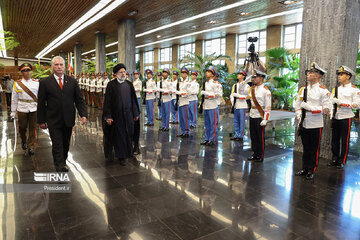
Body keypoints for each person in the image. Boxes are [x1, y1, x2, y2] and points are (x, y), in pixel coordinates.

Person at [37, 56, 87, 172]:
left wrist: (83, 114)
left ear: (64, 67)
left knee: (65, 143)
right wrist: (41, 120)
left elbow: (79, 100)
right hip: (53, 119)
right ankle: (59, 164)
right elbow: (41, 102)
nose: (59, 67)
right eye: (56, 64)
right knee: (57, 143)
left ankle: (63, 160)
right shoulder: (45, 82)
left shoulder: (72, 81)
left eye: (61, 65)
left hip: (68, 118)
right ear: (52, 66)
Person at [294, 62, 331, 180]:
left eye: (311, 72)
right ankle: (304, 168)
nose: (308, 74)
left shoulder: (323, 91)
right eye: (308, 72)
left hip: (315, 123)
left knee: (314, 149)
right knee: (305, 148)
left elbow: (326, 110)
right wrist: (299, 113)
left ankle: (311, 170)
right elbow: (297, 104)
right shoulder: (303, 89)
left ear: (318, 75)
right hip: (304, 122)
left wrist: (309, 108)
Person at [103, 63, 139, 166]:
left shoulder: (129, 84)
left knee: (129, 133)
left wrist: (135, 113)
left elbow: (133, 100)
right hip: (117, 116)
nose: (123, 74)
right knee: (119, 135)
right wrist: (108, 116)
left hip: (129, 115)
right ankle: (121, 156)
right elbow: (108, 102)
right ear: (116, 74)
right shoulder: (111, 85)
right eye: (121, 72)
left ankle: (129, 152)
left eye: (124, 72)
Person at [329, 65, 360, 169]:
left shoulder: (354, 90)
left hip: (346, 117)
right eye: (339, 74)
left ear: (348, 76)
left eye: (342, 74)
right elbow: (331, 102)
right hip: (336, 116)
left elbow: (356, 105)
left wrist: (341, 102)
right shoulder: (336, 89)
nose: (339, 76)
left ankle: (342, 160)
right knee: (334, 139)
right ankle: (334, 158)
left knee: (345, 140)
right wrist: (330, 113)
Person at [11, 63, 39, 155]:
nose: (27, 73)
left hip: (33, 108)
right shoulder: (17, 83)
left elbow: (40, 97)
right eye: (24, 71)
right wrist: (13, 111)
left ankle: (31, 146)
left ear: (30, 71)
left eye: (28, 70)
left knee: (32, 128)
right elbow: (14, 98)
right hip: (22, 108)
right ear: (21, 73)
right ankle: (23, 140)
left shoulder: (36, 83)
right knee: (22, 127)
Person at [247, 69, 271, 163]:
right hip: (252, 114)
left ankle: (260, 155)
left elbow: (268, 107)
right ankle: (254, 153)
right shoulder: (252, 89)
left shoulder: (266, 91)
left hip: (259, 116)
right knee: (253, 136)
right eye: (253, 77)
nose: (253, 79)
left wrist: (266, 119)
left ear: (261, 78)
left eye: (255, 77)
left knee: (260, 137)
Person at [200, 66, 218, 146]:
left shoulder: (215, 84)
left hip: (212, 105)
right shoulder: (206, 83)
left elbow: (218, 95)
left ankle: (212, 139)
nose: (206, 73)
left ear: (212, 74)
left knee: (212, 123)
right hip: (206, 105)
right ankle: (207, 138)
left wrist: (207, 94)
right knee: (207, 123)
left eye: (208, 72)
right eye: (206, 72)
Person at [176, 67, 191, 138]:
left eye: (184, 73)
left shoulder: (187, 83)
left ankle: (186, 132)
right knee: (181, 118)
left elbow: (188, 93)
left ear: (187, 74)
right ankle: (182, 131)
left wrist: (180, 93)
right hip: (180, 102)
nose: (182, 74)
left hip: (185, 102)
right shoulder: (181, 83)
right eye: (182, 73)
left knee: (185, 118)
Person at [133, 70, 142, 154]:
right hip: (134, 96)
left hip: (138, 96)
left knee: (138, 108)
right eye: (135, 74)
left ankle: (138, 116)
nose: (135, 75)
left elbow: (140, 89)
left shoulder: (139, 81)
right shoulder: (134, 81)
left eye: (136, 74)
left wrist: (135, 90)